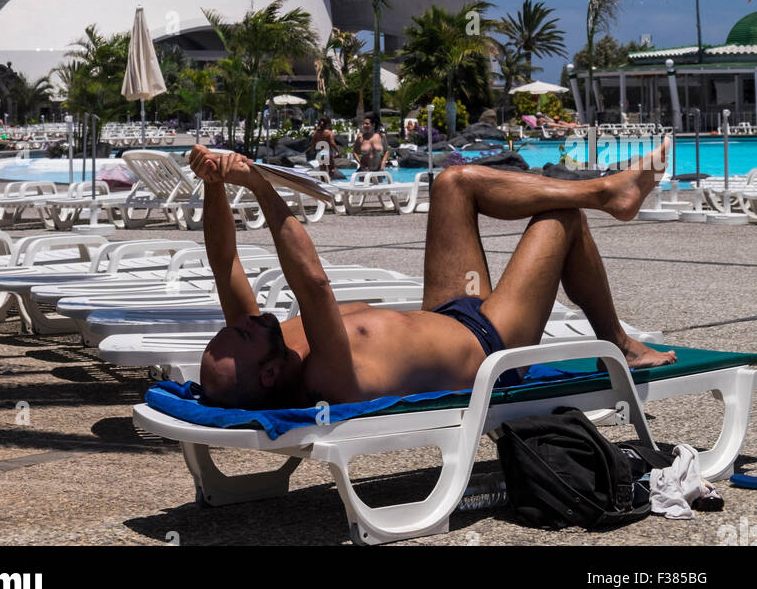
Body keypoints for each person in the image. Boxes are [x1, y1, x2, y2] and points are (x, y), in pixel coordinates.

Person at [190, 139, 676, 409]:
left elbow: (223, 262)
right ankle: (622, 342)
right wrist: (257, 185)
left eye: (238, 324)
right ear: (270, 374)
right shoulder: (325, 376)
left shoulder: (270, 344)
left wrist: (213, 182)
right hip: (493, 341)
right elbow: (313, 283)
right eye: (243, 333)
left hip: (447, 309)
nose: (248, 319)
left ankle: (606, 192)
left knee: (453, 182)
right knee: (561, 221)